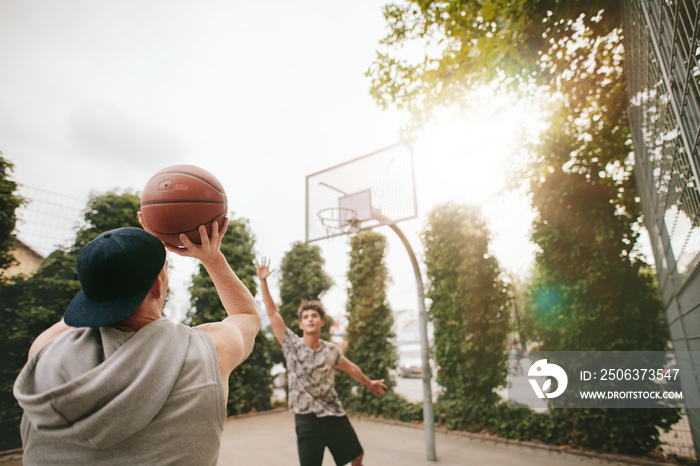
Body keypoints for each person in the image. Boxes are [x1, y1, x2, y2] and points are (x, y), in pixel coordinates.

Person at [13, 219, 261, 465]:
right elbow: (246, 316)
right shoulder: (208, 353)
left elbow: (78, 313)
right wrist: (212, 257)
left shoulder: (44, 352)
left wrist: (107, 277)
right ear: (157, 284)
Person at [255, 257, 387, 466]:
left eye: (314, 315)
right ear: (300, 324)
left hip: (334, 413)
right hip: (306, 420)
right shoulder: (291, 345)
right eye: (305, 316)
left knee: (357, 455)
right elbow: (272, 312)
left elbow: (350, 367)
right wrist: (263, 282)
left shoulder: (330, 350)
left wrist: (369, 383)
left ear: (322, 322)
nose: (310, 318)